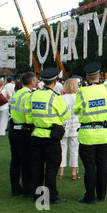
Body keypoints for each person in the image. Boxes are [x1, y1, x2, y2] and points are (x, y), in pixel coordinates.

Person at [25, 67, 70, 205]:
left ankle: (38, 196)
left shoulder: (33, 95)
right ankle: (51, 197)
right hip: (51, 136)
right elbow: (65, 115)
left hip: (37, 134)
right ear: (55, 81)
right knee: (51, 168)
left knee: (37, 166)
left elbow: (28, 117)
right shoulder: (55, 97)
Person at [74, 62, 107, 204]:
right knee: (102, 165)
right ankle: (101, 194)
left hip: (87, 134)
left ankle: (89, 196)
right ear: (100, 76)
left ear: (86, 77)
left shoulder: (82, 91)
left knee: (89, 166)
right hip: (103, 133)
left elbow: (76, 109)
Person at [8, 72, 36, 197]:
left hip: (13, 128)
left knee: (15, 160)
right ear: (31, 82)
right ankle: (28, 189)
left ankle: (15, 187)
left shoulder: (18, 93)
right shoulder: (28, 96)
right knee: (27, 161)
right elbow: (28, 115)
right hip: (23, 129)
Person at [58, 78, 80, 180]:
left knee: (62, 149)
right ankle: (73, 173)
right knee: (74, 149)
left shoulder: (62, 98)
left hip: (64, 125)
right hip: (75, 126)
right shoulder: (78, 97)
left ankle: (61, 173)